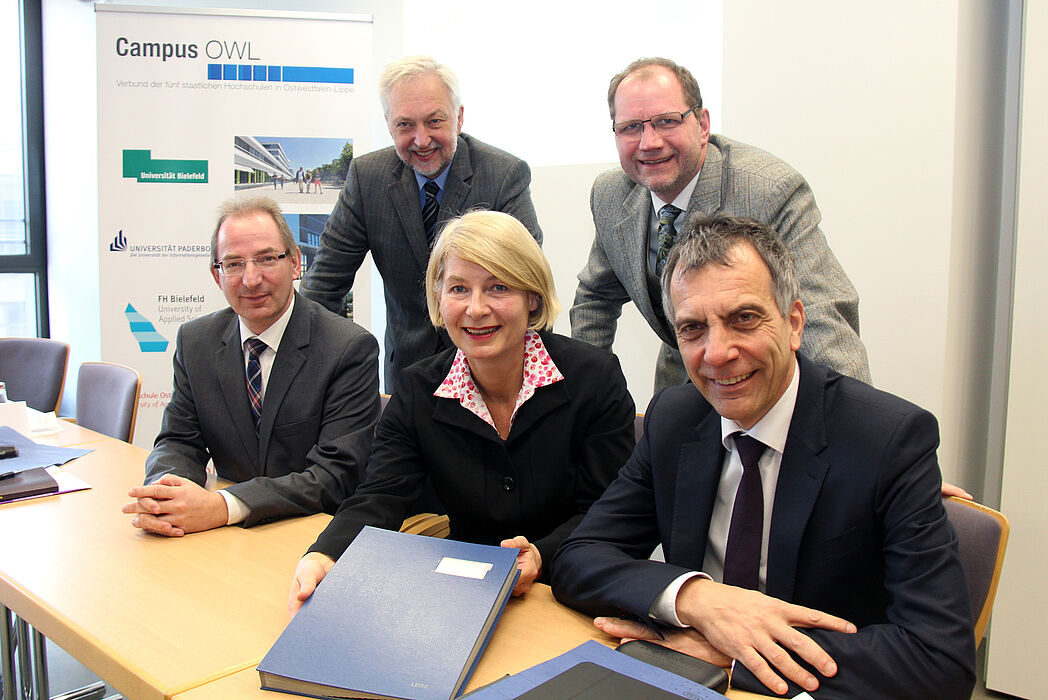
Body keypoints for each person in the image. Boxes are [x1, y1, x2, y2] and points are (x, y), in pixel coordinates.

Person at [552, 214, 974, 699]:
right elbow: (580, 557)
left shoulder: (889, 440)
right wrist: (698, 599)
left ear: (794, 323)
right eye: (693, 328)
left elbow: (940, 660)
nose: (717, 353)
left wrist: (734, 655)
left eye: (744, 319)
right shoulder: (674, 419)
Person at [289, 210, 634, 610]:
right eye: (458, 289)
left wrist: (542, 553)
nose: (476, 308)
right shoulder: (418, 389)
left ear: (533, 297)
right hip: (462, 593)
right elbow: (381, 494)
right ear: (439, 298)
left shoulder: (594, 377)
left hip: (570, 587)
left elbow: (610, 509)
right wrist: (324, 555)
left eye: (498, 287)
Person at [572, 57, 870, 392]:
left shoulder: (768, 191)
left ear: (702, 125)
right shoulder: (611, 194)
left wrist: (847, 410)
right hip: (679, 386)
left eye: (666, 121)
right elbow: (596, 296)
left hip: (762, 386)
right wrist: (589, 393)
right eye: (631, 127)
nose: (649, 142)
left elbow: (820, 312)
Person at [121, 197, 381, 536]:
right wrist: (166, 495)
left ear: (295, 263)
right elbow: (178, 441)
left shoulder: (347, 348)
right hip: (228, 537)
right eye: (233, 264)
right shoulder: (196, 342)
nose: (251, 279)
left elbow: (334, 476)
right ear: (217, 276)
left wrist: (222, 506)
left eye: (267, 259)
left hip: (312, 533)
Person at [300, 56, 542, 394]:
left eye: (434, 121)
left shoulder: (503, 175)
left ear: (459, 117)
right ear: (388, 125)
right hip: (408, 375)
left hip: (493, 371)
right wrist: (317, 372)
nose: (422, 139)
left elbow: (527, 283)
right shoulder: (367, 178)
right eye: (405, 125)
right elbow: (324, 286)